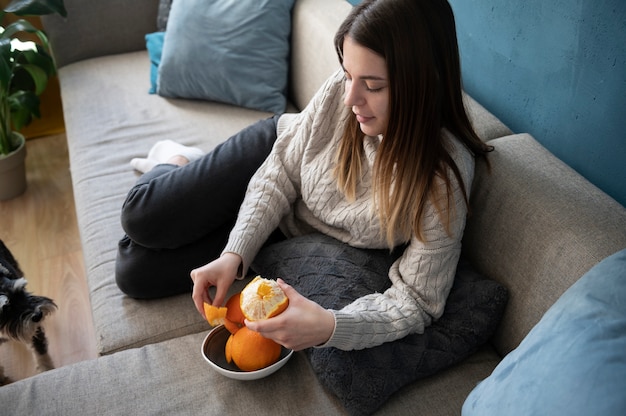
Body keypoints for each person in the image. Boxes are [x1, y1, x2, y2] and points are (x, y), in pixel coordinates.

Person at [115, 0, 492, 352]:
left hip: (289, 230)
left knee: (135, 272)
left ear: (421, 85)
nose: (349, 99)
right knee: (141, 215)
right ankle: (177, 158)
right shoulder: (339, 97)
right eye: (347, 76)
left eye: (373, 86)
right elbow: (280, 172)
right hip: (269, 156)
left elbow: (417, 301)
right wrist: (235, 251)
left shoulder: (441, 179)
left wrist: (331, 326)